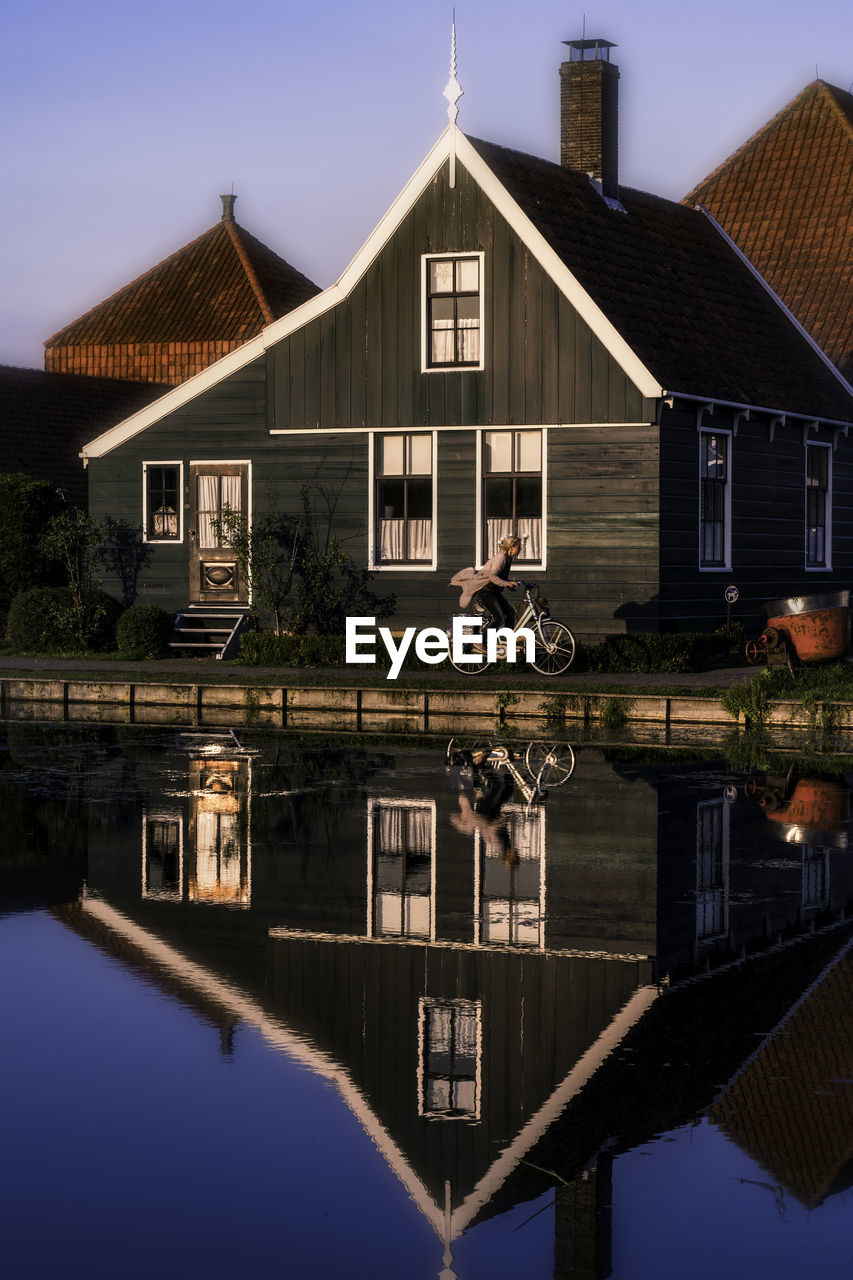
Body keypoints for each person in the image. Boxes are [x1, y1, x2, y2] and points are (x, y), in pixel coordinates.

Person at [450, 535, 522, 645]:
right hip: (484, 591)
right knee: (500, 619)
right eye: (519, 547)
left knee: (511, 614)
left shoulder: (508, 558)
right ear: (512, 547)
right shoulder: (501, 558)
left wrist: (509, 585)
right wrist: (507, 583)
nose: (520, 549)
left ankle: (507, 642)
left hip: (493, 592)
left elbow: (500, 577)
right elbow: (492, 577)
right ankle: (479, 642)